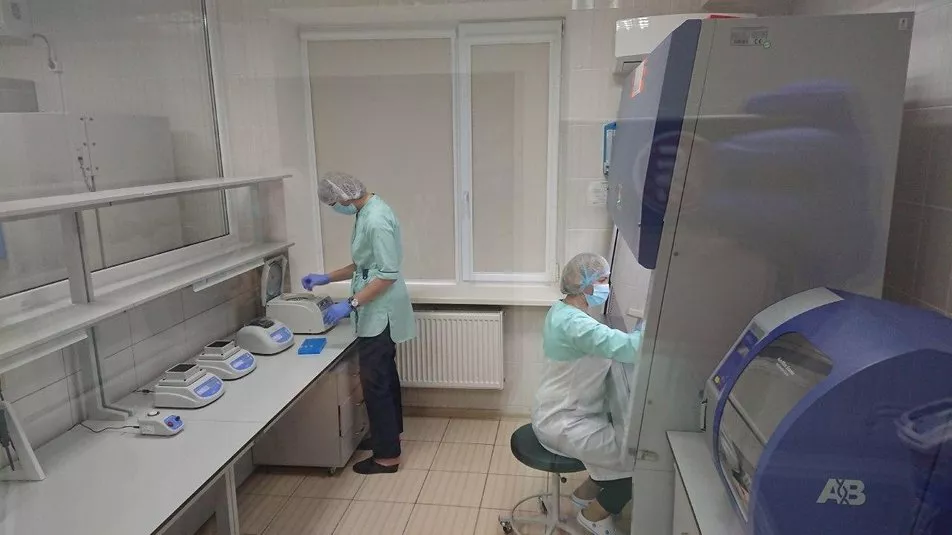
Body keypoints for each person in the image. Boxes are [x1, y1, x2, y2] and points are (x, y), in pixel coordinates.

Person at [301, 172, 415, 475]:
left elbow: (387, 275)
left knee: (376, 382)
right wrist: (326, 277)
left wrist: (349, 304)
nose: (334, 208)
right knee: (384, 378)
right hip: (375, 308)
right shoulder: (367, 211)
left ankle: (387, 457)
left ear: (344, 196)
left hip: (380, 311)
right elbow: (364, 263)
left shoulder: (375, 219)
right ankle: (388, 437)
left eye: (333, 204)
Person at [532, 253, 643, 535]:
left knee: (616, 451)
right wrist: (653, 329)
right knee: (637, 459)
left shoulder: (562, 310)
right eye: (603, 280)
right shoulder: (576, 325)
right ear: (585, 284)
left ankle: (581, 498)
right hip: (564, 422)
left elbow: (606, 342)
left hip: (558, 411)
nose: (607, 286)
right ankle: (593, 517)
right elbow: (629, 348)